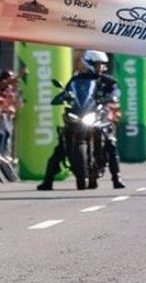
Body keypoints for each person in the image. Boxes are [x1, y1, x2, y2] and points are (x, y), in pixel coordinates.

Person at [37, 50, 125, 190]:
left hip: (97, 116)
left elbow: (116, 90)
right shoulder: (76, 80)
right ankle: (47, 181)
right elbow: (67, 91)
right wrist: (61, 97)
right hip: (78, 114)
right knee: (61, 146)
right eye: (97, 64)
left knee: (110, 142)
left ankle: (117, 178)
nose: (101, 67)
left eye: (102, 64)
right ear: (88, 64)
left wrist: (112, 97)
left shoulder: (107, 81)